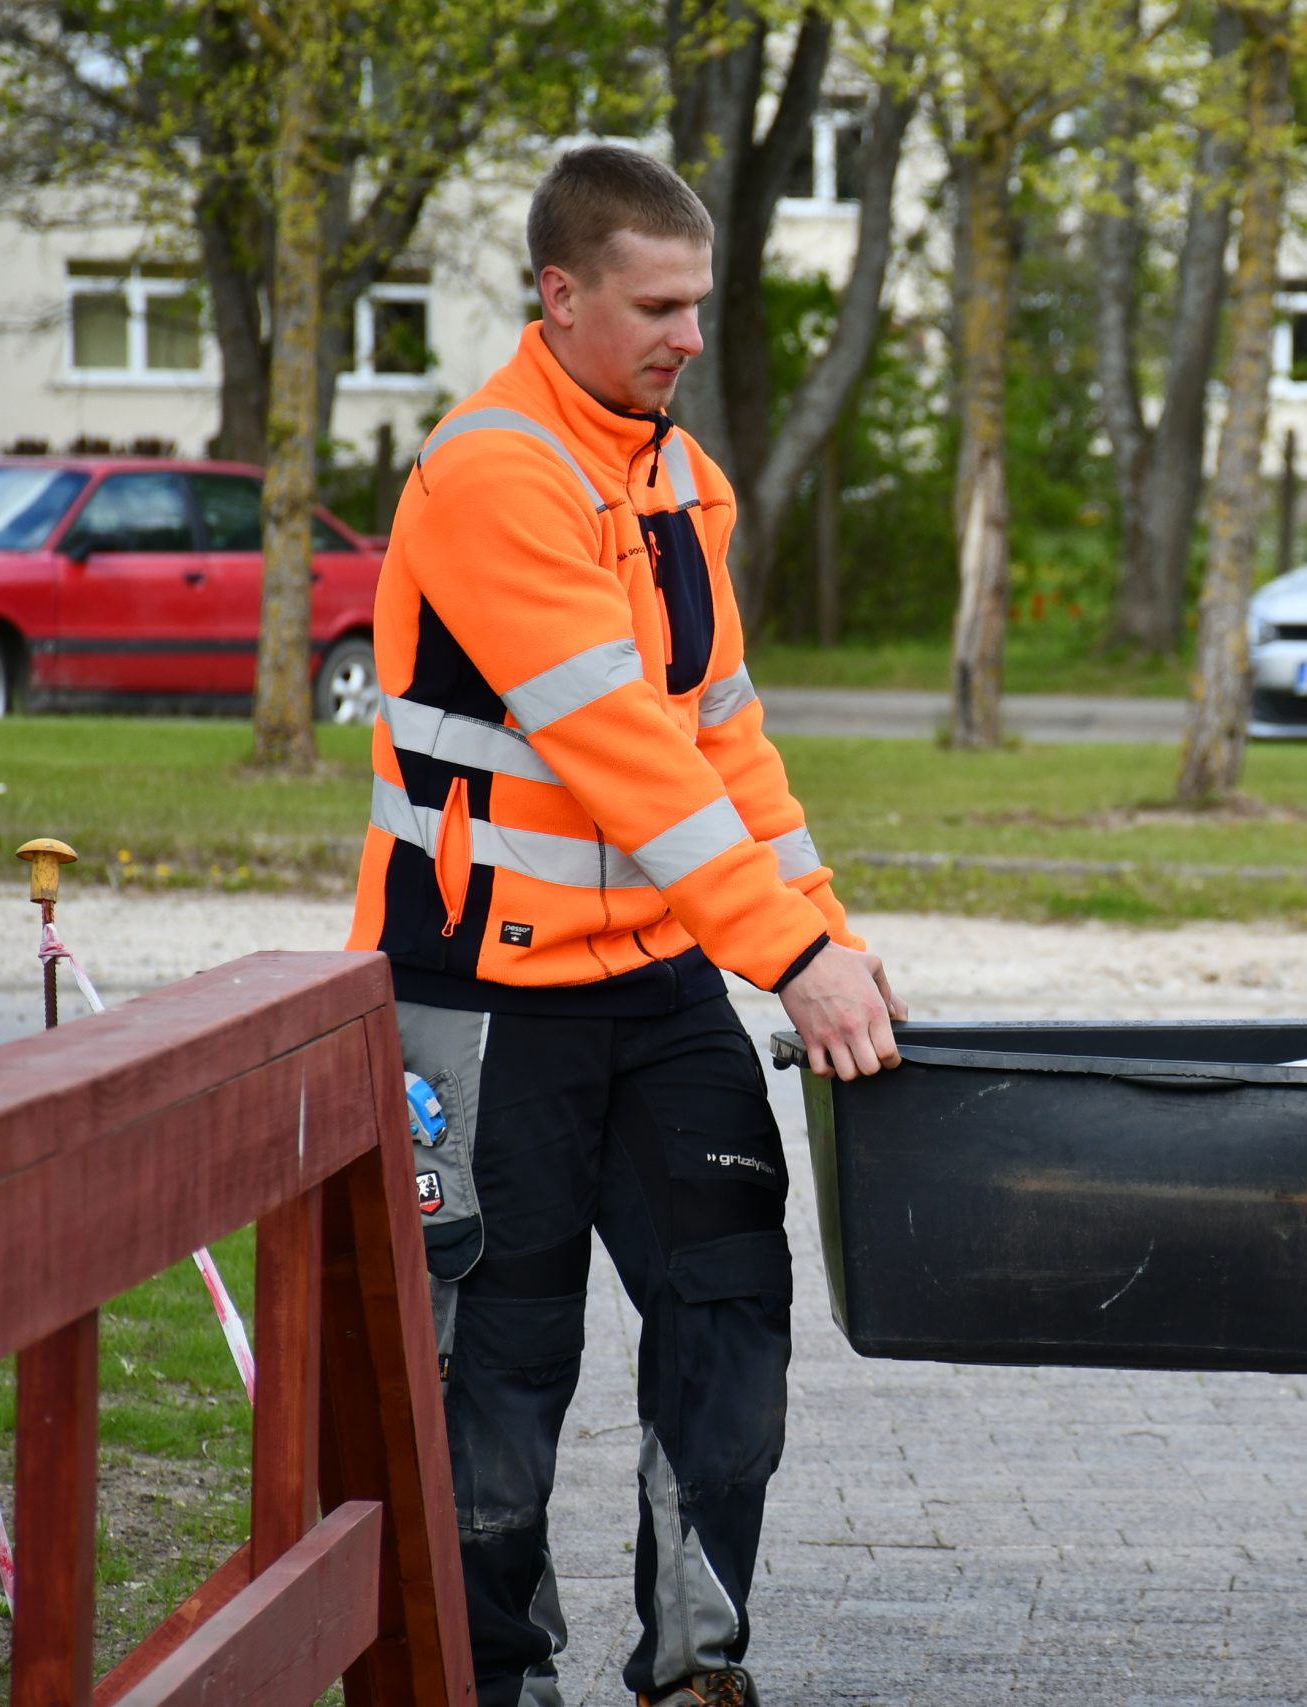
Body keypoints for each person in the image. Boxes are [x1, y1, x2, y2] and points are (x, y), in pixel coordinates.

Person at [346, 144, 905, 1707]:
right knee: (501, 1359)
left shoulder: (679, 481)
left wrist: (827, 937)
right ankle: (491, 1680)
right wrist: (789, 958)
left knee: (730, 1309)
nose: (688, 336)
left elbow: (727, 744)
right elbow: (621, 750)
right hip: (481, 998)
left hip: (660, 990)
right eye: (657, 307)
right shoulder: (493, 473)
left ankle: (695, 1671)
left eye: (699, 305)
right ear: (562, 294)